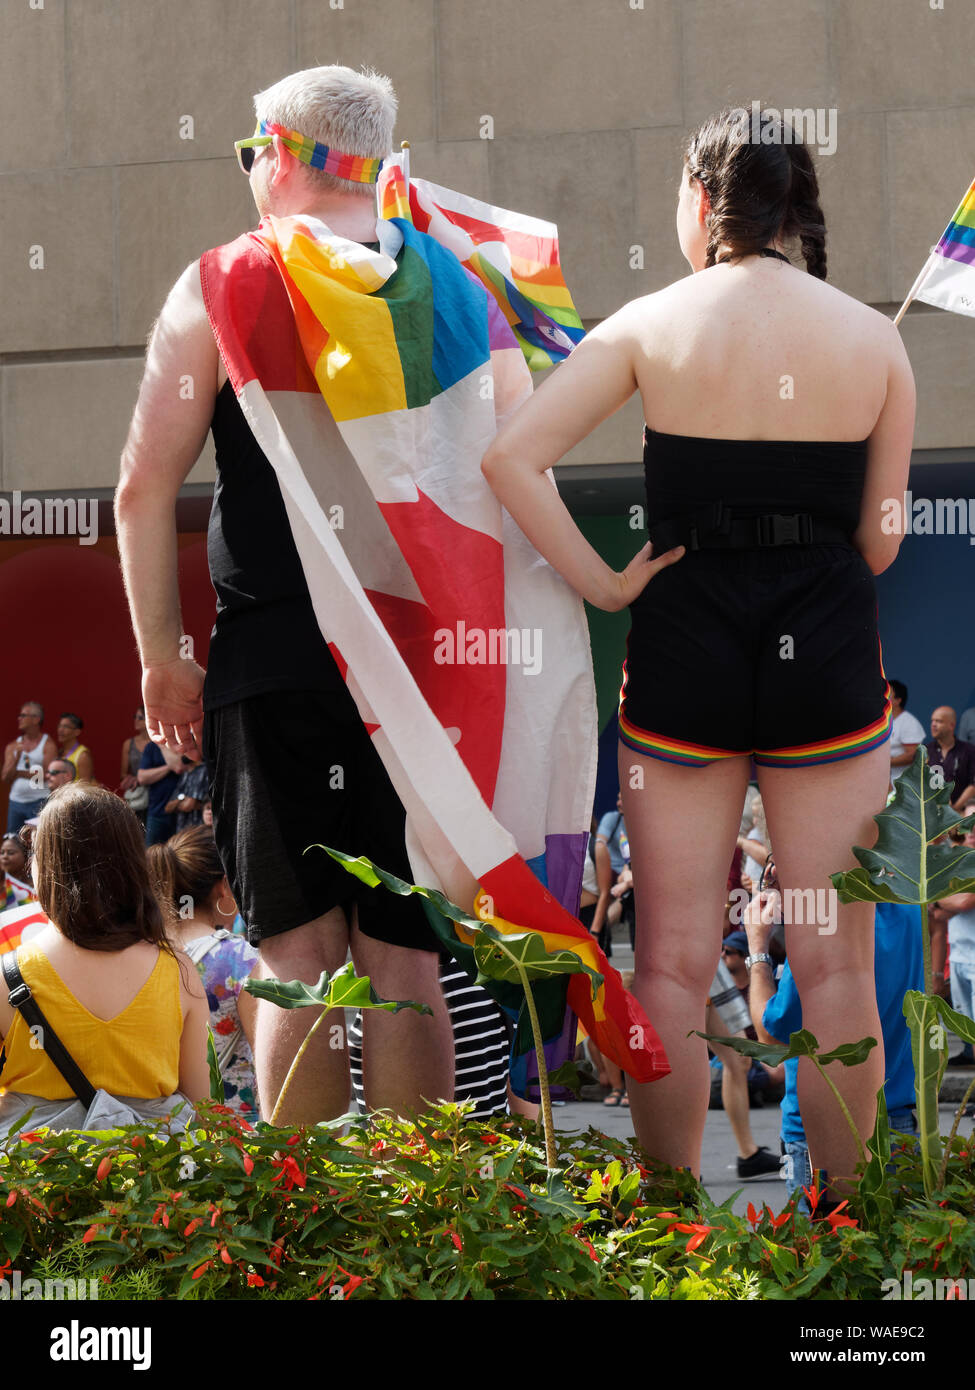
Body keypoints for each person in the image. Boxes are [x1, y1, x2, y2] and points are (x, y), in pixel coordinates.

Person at [481, 106, 915, 1199]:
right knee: (833, 964)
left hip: (682, 656)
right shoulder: (874, 339)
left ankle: (669, 1220)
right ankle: (845, 1229)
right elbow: (880, 539)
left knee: (670, 959)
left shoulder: (647, 324)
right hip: (824, 661)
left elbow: (512, 458)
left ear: (699, 199)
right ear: (795, 208)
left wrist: (605, 584)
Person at [115, 65, 456, 1124]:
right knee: (404, 957)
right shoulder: (447, 283)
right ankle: (427, 1228)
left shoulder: (222, 282)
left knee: (297, 957)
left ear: (284, 151)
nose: (250, 169)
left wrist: (163, 653)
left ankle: (311, 1235)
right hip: (411, 659)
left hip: (272, 656)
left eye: (251, 151)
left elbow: (141, 485)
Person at [0, 783, 209, 1138]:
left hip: (33, 1178)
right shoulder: (178, 970)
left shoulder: (8, 975)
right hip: (153, 1177)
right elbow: (203, 1105)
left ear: (47, 867)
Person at [744, 887, 923, 1210]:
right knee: (899, 1250)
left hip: (822, 1129)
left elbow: (770, 1034)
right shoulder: (908, 905)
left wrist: (757, 950)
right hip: (899, 1119)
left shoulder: (822, 925)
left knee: (828, 1248)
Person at [148, 825, 258, 1117]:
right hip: (232, 1127)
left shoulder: (142, 955)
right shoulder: (240, 959)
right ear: (223, 886)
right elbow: (266, 1052)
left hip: (162, 1128)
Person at [931, 798, 975, 1065]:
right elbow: (939, 914)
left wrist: (936, 897)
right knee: (969, 1034)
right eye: (967, 824)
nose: (970, 831)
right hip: (958, 956)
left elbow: (964, 901)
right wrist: (944, 901)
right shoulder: (957, 860)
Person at [2, 701, 55, 833]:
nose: (19, 718)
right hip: (16, 801)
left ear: (36, 719)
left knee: (38, 841)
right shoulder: (13, 746)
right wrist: (16, 758)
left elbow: (47, 775)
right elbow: (5, 777)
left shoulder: (47, 744)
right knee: (13, 840)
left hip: (39, 801)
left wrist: (19, 773)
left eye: (23, 715)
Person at [925, 707, 975, 811]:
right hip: (931, 809)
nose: (933, 725)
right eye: (932, 721)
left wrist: (954, 809)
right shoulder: (924, 751)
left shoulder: (969, 751)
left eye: (939, 721)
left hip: (962, 809)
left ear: (951, 725)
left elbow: (973, 784)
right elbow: (917, 784)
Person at [138, 741, 181, 846]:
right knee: (152, 856)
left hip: (183, 813)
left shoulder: (184, 741)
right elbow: (142, 777)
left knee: (182, 856)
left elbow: (179, 766)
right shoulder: (151, 746)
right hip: (156, 810)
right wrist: (169, 767)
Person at [887, 680, 925, 784]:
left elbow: (912, 755)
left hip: (902, 784)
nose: (883, 698)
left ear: (898, 700)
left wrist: (883, 763)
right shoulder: (882, 721)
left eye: (888, 694)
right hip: (882, 781)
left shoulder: (909, 723)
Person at [164, 749, 210, 832]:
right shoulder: (185, 774)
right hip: (182, 831)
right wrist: (182, 799)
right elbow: (168, 807)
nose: (181, 753)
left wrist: (178, 802)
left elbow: (189, 805)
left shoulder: (203, 770)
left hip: (199, 831)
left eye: (185, 749)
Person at [119, 706, 151, 821]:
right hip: (137, 793)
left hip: (156, 792)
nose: (136, 720)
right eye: (135, 717)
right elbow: (123, 774)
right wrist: (133, 779)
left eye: (140, 717)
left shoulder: (158, 742)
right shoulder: (129, 743)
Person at [1, 835, 37, 910]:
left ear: (25, 856)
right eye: (2, 852)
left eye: (10, 853)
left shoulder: (36, 884)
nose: (5, 856)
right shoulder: (2, 885)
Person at [56, 713, 94, 783]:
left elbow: (85, 786)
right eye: (59, 726)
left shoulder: (83, 756)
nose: (60, 730)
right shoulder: (59, 752)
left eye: (66, 727)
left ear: (77, 732)